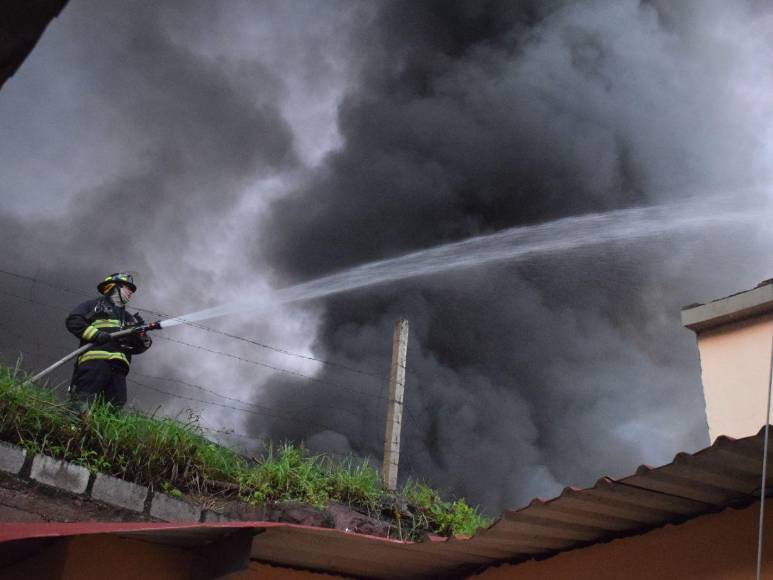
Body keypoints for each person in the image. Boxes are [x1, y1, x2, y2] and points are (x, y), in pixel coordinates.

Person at [65, 272, 152, 411]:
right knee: (84, 398)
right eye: (128, 288)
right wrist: (96, 334)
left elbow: (139, 346)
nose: (131, 293)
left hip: (119, 368)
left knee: (114, 406)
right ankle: (71, 429)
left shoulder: (129, 318)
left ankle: (99, 432)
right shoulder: (94, 305)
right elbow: (74, 321)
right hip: (95, 362)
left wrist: (142, 338)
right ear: (113, 286)